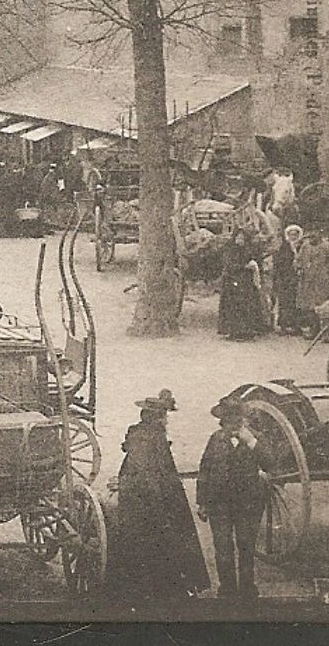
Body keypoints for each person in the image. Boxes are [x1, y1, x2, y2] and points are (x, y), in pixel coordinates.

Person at [110, 390, 209, 602]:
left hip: (144, 498)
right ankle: (161, 589)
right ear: (157, 418)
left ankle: (152, 587)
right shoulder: (150, 439)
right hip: (151, 502)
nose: (166, 421)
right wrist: (161, 506)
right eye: (164, 417)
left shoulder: (141, 435)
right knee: (158, 542)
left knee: (144, 542)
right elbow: (148, 476)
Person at [196, 396, 268, 600]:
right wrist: (202, 502)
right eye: (228, 420)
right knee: (223, 548)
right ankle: (227, 589)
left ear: (243, 419)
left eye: (237, 420)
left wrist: (252, 443)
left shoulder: (255, 438)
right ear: (223, 421)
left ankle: (247, 588)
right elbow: (205, 470)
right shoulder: (216, 439)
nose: (233, 425)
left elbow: (270, 463)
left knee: (246, 547)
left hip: (247, 505)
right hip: (219, 505)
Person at [216, 230, 267, 341]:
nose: (240, 241)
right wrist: (244, 267)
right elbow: (229, 266)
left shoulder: (249, 250)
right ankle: (233, 331)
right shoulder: (230, 251)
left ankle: (247, 331)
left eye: (242, 239)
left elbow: (256, 262)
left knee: (248, 305)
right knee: (233, 306)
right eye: (238, 238)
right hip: (232, 281)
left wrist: (253, 267)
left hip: (246, 283)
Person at [296, 230, 329, 334]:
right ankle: (314, 329)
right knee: (310, 306)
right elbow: (298, 260)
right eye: (310, 237)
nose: (312, 239)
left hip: (323, 281)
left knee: (324, 305)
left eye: (314, 236)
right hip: (308, 280)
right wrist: (299, 268)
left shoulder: (327, 247)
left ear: (320, 235)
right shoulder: (306, 246)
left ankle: (327, 331)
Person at [272, 224, 305, 334]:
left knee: (296, 302)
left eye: (295, 235)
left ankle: (296, 325)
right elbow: (279, 262)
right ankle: (284, 325)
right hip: (285, 277)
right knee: (284, 301)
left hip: (297, 277)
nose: (293, 237)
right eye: (291, 235)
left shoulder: (302, 247)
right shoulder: (284, 247)